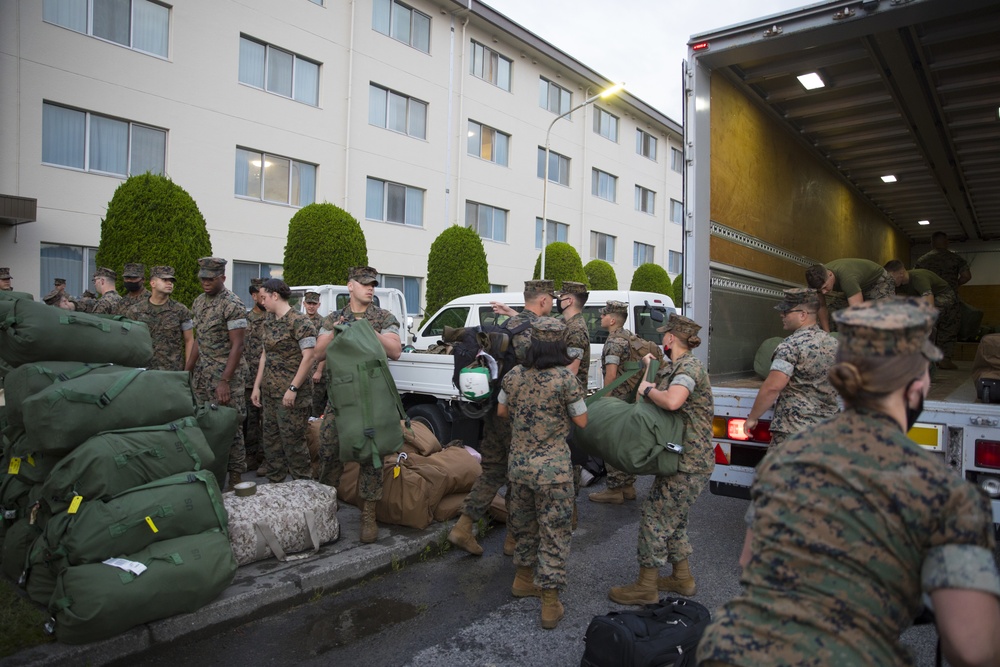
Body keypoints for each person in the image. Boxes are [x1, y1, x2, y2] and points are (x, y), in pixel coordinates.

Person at [698, 298, 1000, 667]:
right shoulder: (947, 494)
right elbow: (972, 648)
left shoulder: (787, 461)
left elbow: (750, 562)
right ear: (917, 389)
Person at [609, 313, 714, 605]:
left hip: (689, 461)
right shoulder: (673, 367)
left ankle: (646, 587)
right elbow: (644, 399)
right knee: (673, 520)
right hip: (677, 457)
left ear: (670, 338)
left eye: (664, 335)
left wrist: (649, 389)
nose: (661, 338)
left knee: (654, 519)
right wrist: (648, 371)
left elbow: (672, 401)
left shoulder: (688, 368)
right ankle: (682, 578)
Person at [448, 279, 555, 556]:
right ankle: (513, 539)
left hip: (494, 408)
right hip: (521, 415)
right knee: (520, 476)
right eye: (551, 299)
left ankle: (463, 526)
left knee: (494, 469)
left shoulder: (507, 325)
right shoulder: (540, 331)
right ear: (543, 300)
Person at [498, 317, 588, 630]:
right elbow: (582, 421)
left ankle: (523, 580)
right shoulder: (565, 379)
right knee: (554, 533)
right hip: (554, 473)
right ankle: (550, 603)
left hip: (519, 469)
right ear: (560, 345)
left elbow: (501, 411)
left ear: (533, 344)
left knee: (525, 528)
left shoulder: (513, 375)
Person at [312, 266, 401, 543]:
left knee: (372, 455)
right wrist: (338, 331)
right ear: (350, 286)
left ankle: (368, 515)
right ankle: (326, 508)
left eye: (373, 284)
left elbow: (395, 351)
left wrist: (369, 331)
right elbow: (318, 353)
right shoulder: (333, 318)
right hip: (341, 397)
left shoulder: (384, 317)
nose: (370, 288)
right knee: (329, 448)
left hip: (372, 397)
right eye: (364, 283)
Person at [743, 288, 838, 448]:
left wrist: (752, 417)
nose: (782, 315)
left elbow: (773, 387)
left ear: (803, 315)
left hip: (795, 430)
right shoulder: (834, 344)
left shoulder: (791, 346)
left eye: (786, 311)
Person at [186, 257, 249, 491]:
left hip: (226, 377)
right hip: (203, 376)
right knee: (205, 424)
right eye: (202, 278)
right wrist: (187, 371)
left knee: (230, 426)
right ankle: (212, 475)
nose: (205, 282)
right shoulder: (198, 302)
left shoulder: (232, 304)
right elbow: (199, 340)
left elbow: (237, 346)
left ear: (222, 277)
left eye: (210, 279)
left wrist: (225, 381)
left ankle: (236, 478)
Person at [250, 279, 316, 483]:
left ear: (275, 295)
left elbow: (309, 357)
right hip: (270, 393)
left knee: (294, 444)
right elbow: (265, 355)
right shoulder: (269, 320)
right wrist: (257, 387)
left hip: (292, 396)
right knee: (271, 444)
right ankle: (276, 489)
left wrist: (293, 388)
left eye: (264, 297)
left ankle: (304, 489)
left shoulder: (300, 322)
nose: (262, 302)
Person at [589, 300, 639, 504]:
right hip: (631, 399)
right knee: (627, 442)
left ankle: (614, 490)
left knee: (612, 444)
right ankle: (628, 486)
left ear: (611, 320)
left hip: (617, 400)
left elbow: (610, 375)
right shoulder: (629, 336)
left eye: (603, 315)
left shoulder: (613, 342)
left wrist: (605, 402)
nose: (600, 317)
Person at [556, 281, 590, 529]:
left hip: (568, 399)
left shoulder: (576, 329)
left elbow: (571, 370)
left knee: (569, 456)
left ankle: (570, 513)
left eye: (561, 297)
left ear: (568, 300)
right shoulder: (568, 324)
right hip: (565, 397)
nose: (558, 300)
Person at [887, 258, 962, 370]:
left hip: (944, 296)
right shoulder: (898, 284)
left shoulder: (918, 278)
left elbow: (929, 300)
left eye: (891, 277)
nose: (889, 280)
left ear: (901, 273)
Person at [124, 265, 195, 371]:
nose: (169, 283)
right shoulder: (135, 311)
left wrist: (188, 370)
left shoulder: (180, 310)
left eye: (171, 280)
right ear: (152, 283)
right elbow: (129, 341)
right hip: (143, 370)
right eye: (164, 280)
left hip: (171, 370)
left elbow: (189, 340)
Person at [805, 258, 895, 332]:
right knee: (832, 316)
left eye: (825, 287)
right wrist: (826, 334)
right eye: (820, 290)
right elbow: (821, 306)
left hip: (878, 282)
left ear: (830, 274)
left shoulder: (847, 278)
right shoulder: (815, 283)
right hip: (856, 286)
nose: (824, 292)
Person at [244, 278, 268, 475]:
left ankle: (267, 458)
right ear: (254, 296)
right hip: (247, 378)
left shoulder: (273, 318)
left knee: (267, 421)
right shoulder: (244, 319)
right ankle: (251, 456)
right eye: (261, 295)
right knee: (250, 420)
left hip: (268, 378)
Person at [303, 291, 327, 418]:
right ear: (304, 304)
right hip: (303, 368)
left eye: (314, 304)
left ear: (319, 305)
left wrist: (319, 370)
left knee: (316, 407)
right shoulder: (300, 321)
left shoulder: (324, 323)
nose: (311, 306)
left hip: (317, 371)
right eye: (309, 303)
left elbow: (326, 348)